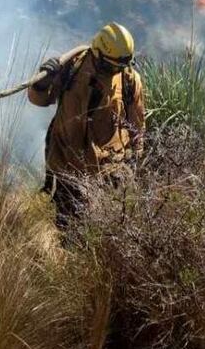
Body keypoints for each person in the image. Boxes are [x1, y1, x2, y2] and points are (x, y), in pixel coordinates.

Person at [28, 22, 145, 230]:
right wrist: (43, 80)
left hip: (109, 172)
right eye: (111, 66)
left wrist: (134, 162)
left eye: (120, 66)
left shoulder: (129, 81)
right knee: (67, 229)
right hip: (68, 165)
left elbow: (137, 127)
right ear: (98, 54)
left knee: (105, 231)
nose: (115, 71)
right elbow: (39, 99)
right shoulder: (72, 68)